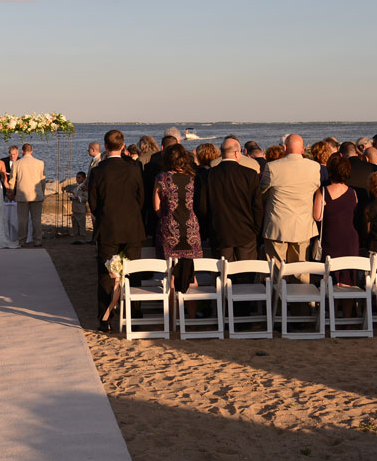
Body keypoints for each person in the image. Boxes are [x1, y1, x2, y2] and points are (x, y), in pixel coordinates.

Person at [88, 129, 145, 331]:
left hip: (108, 228)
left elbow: (93, 203)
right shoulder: (134, 169)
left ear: (105, 146)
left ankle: (105, 319)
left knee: (105, 275)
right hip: (132, 228)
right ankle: (134, 316)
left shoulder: (97, 171)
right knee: (133, 273)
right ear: (123, 146)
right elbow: (141, 199)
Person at [261, 134, 322, 266]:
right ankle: (301, 287)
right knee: (300, 270)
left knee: (276, 270)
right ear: (303, 149)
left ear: (284, 147)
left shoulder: (272, 167)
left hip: (277, 224)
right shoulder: (314, 167)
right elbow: (315, 188)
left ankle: (277, 287)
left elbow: (262, 192)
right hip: (303, 224)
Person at [199, 138, 262, 262]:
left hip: (220, 232)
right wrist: (256, 230)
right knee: (245, 274)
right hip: (246, 232)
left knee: (223, 274)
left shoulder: (208, 175)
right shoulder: (250, 174)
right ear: (237, 153)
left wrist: (209, 229)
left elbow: (202, 207)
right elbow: (257, 206)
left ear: (222, 153)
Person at [154, 144, 203, 291]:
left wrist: (166, 216)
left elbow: (156, 207)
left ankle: (174, 311)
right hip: (191, 229)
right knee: (191, 273)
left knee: (172, 274)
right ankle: (191, 312)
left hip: (170, 228)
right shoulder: (193, 177)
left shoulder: (162, 178)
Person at [315, 155, 360, 260]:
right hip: (350, 238)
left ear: (330, 171)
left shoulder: (323, 192)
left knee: (331, 270)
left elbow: (317, 216)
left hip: (331, 236)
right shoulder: (353, 192)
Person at [12, 143, 47, 247]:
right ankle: (37, 240)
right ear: (31, 151)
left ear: (22, 151)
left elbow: (13, 180)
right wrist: (42, 192)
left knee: (22, 219)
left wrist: (11, 191)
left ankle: (22, 240)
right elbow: (43, 180)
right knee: (36, 219)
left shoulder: (17, 163)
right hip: (36, 195)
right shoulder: (40, 163)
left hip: (22, 195)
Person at [69, 170, 90, 243]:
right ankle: (76, 238)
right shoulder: (76, 187)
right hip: (75, 209)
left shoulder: (84, 188)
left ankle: (82, 238)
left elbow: (86, 198)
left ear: (84, 179)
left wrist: (79, 198)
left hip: (81, 209)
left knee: (81, 224)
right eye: (76, 178)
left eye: (79, 178)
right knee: (75, 224)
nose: (77, 179)